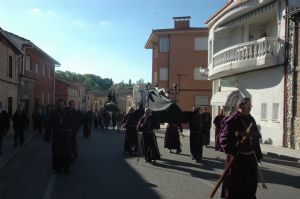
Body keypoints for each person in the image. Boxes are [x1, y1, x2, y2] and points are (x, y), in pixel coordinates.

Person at [218, 97, 262, 199]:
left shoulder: (251, 119)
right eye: (249, 105)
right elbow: (223, 139)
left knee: (250, 188)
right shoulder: (232, 120)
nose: (250, 108)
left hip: (250, 160)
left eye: (251, 105)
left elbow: (255, 139)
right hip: (237, 161)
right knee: (236, 189)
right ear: (241, 106)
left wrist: (258, 155)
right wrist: (236, 145)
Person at [47, 99, 74, 174]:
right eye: (60, 105)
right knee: (57, 152)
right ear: (58, 105)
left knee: (66, 152)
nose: (61, 106)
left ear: (65, 105)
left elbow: (72, 124)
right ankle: (58, 168)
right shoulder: (54, 113)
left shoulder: (68, 113)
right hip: (57, 136)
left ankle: (66, 167)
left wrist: (72, 133)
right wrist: (48, 136)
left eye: (62, 105)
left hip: (66, 136)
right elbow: (50, 124)